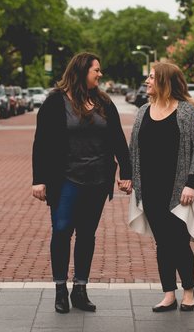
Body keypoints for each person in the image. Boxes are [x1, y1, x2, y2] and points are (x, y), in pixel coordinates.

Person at [32, 53, 132, 313]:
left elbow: (118, 139)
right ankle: (60, 290)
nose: (100, 75)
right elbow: (41, 142)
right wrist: (39, 179)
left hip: (98, 179)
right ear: (81, 70)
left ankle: (80, 289)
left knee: (87, 234)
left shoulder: (103, 102)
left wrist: (127, 171)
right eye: (96, 70)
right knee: (62, 230)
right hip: (66, 178)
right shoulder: (56, 102)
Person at [127, 61, 194, 312]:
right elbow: (135, 149)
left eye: (152, 77)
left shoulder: (187, 112)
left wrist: (191, 184)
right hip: (150, 188)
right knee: (162, 242)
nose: (147, 82)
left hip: (178, 189)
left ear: (164, 81)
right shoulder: (143, 111)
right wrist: (129, 176)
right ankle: (168, 293)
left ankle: (188, 289)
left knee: (178, 240)